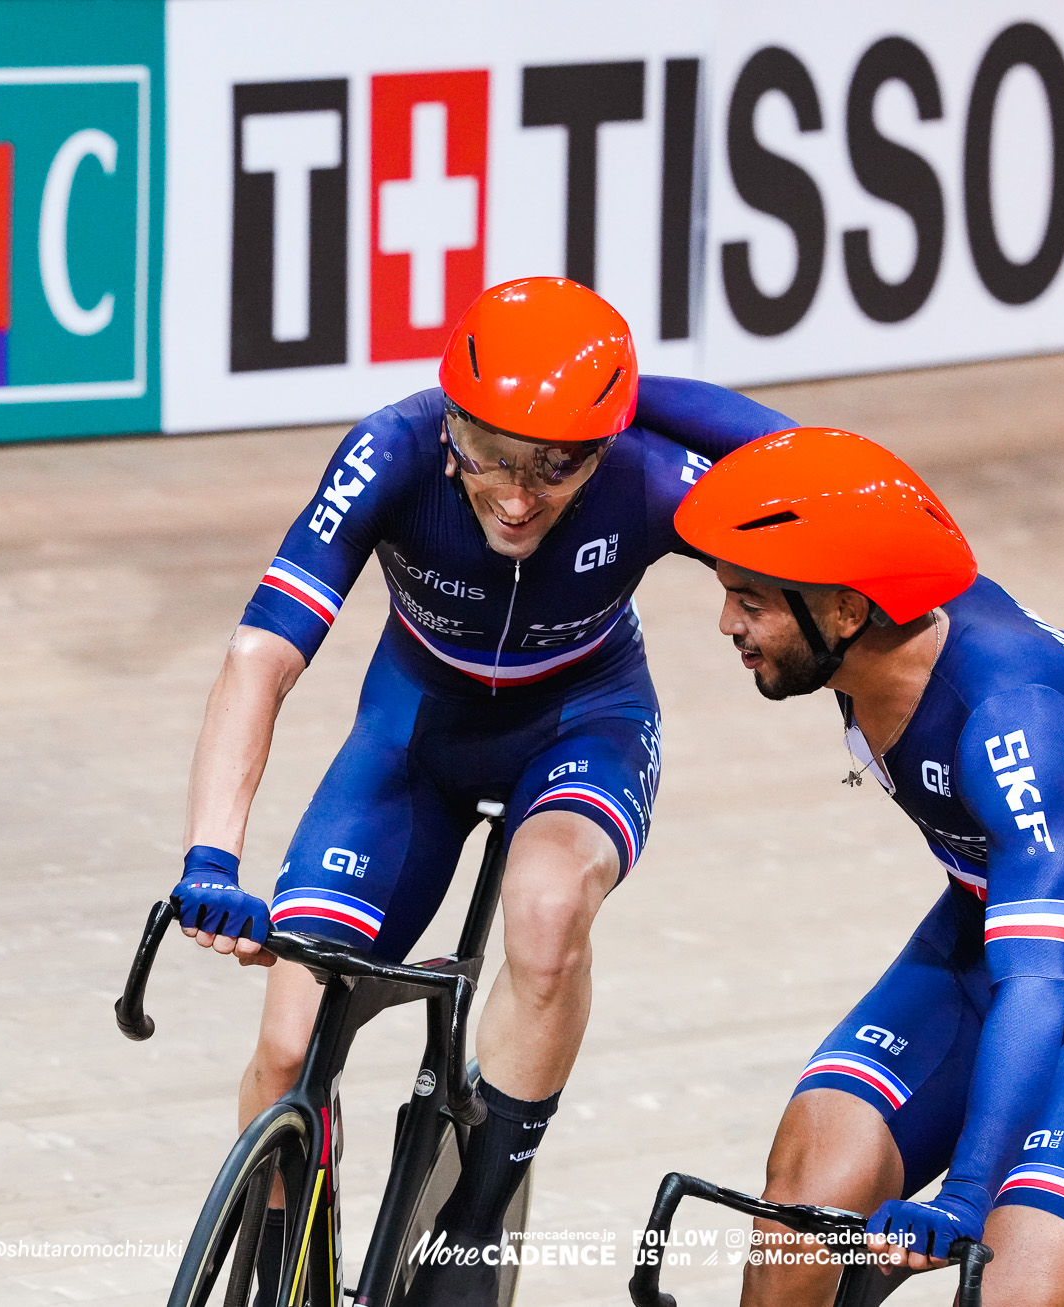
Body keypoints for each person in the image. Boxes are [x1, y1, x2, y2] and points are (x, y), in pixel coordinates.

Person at [165, 277, 790, 1306]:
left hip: (581, 725)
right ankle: (282, 1274)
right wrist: (211, 856)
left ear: (605, 443)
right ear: (449, 418)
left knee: (544, 916)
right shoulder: (393, 449)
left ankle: (472, 1228)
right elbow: (259, 654)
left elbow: (809, 482)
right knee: (286, 1047)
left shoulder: (642, 474)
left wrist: (651, 402)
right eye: (493, 454)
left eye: (556, 468)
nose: (515, 495)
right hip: (414, 735)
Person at [674, 428, 1064, 1307]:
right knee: (795, 1235)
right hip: (976, 943)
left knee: (1005, 1294)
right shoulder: (872, 580)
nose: (728, 623)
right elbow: (788, 455)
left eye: (752, 600)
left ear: (847, 610)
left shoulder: (1012, 728)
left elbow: (1036, 983)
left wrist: (967, 1194)